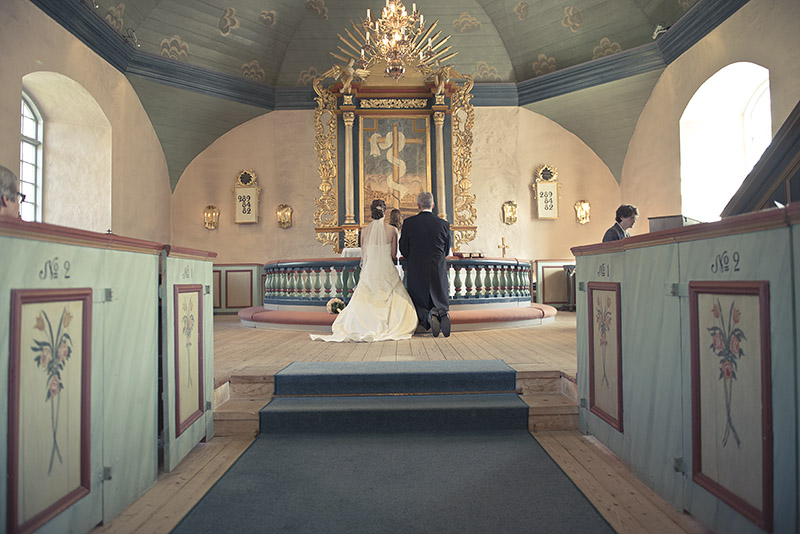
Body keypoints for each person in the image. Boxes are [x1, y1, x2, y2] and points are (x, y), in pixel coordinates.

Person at [311, 199, 417, 342]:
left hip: (370, 270)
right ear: (385, 212)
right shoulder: (392, 230)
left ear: (371, 212)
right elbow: (393, 255)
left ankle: (361, 324)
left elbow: (364, 254)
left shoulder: (364, 231)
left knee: (366, 294)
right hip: (386, 269)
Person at [399, 191, 451, 337]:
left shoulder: (409, 223)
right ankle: (443, 313)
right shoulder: (444, 224)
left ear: (418, 206)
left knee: (418, 298)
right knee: (439, 293)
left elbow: (403, 249)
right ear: (433, 205)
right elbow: (446, 250)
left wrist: (413, 256)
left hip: (417, 266)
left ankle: (428, 317)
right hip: (437, 265)